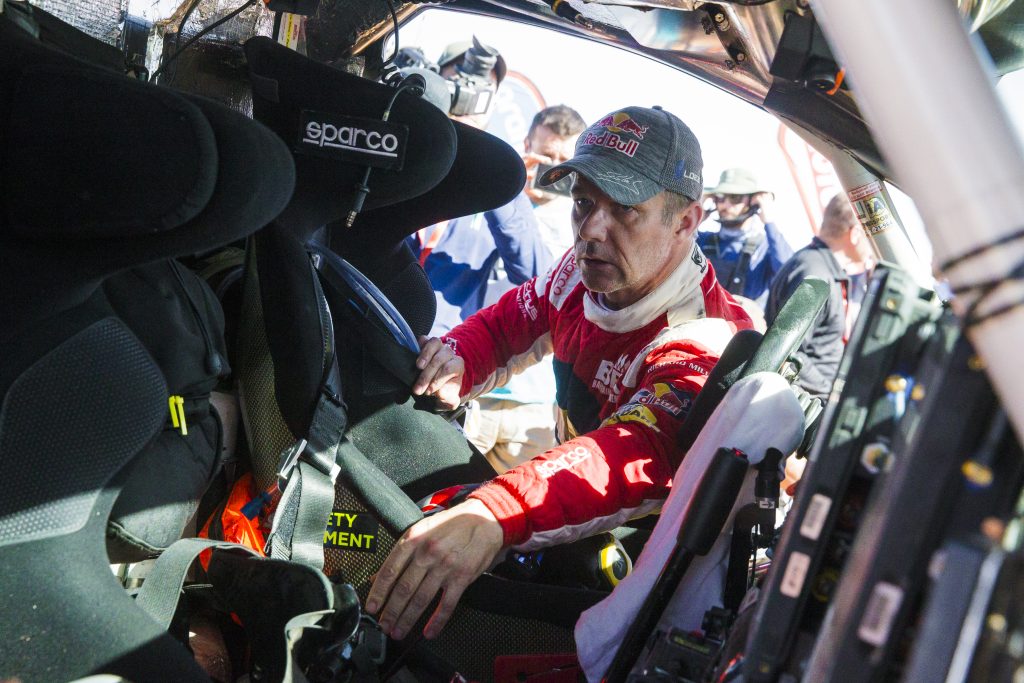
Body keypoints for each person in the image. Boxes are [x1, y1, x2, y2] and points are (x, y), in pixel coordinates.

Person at [367, 105, 753, 641]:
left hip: (651, 556)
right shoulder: (579, 273)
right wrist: (456, 358)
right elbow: (503, 328)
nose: (592, 229)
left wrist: (495, 513)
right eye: (583, 202)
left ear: (686, 221)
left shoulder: (705, 333)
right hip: (573, 501)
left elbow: (638, 452)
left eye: (624, 209)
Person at [465, 105, 588, 473]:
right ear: (526, 146)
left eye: (564, 162)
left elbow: (531, 269)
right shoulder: (482, 200)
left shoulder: (579, 223)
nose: (552, 170)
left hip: (533, 401)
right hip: (476, 390)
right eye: (545, 156)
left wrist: (508, 192)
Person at [410, 39, 553, 335]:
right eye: (460, 82)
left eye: (484, 91)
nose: (471, 98)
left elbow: (534, 274)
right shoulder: (404, 151)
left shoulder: (498, 183)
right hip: (363, 322)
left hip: (439, 353)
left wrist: (502, 181)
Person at [765, 193, 870, 400]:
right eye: (870, 234)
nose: (873, 245)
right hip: (804, 402)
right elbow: (788, 351)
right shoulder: (815, 273)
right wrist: (830, 393)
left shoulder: (823, 269)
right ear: (856, 233)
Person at [696, 167, 794, 315]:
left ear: (753, 202)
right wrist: (696, 217)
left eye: (735, 198)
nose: (725, 205)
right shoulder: (700, 239)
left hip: (740, 333)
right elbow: (672, 249)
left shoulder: (765, 247)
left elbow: (788, 272)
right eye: (720, 197)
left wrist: (769, 222)